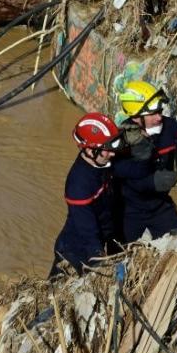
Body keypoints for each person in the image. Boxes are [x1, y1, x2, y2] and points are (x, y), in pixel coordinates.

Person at [114, 80, 177, 242]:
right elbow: (134, 182)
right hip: (129, 212)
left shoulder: (169, 127)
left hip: (160, 207)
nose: (159, 117)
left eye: (160, 110)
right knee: (123, 254)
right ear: (136, 117)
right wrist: (173, 178)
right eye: (153, 113)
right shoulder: (122, 141)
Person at [51, 112, 123, 276]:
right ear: (90, 151)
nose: (112, 153)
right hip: (73, 254)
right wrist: (101, 265)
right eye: (107, 150)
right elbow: (88, 233)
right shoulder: (78, 186)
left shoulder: (102, 162)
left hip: (102, 236)